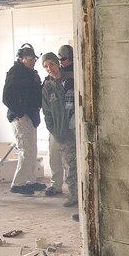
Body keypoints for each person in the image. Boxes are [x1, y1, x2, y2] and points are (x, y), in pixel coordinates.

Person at [1, 43, 44, 195]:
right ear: (21, 59)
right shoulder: (15, 73)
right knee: (26, 150)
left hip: (31, 116)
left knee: (32, 149)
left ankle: (30, 181)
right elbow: (6, 97)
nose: (33, 61)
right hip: (21, 117)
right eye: (30, 58)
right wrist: (19, 112)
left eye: (34, 58)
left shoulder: (32, 73)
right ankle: (18, 184)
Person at [40, 51, 78, 208]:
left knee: (80, 164)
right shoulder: (48, 88)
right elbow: (47, 113)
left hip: (76, 129)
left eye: (52, 64)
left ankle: (82, 195)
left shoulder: (71, 79)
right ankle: (74, 194)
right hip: (61, 133)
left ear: (58, 64)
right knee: (69, 165)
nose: (50, 68)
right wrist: (55, 131)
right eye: (46, 66)